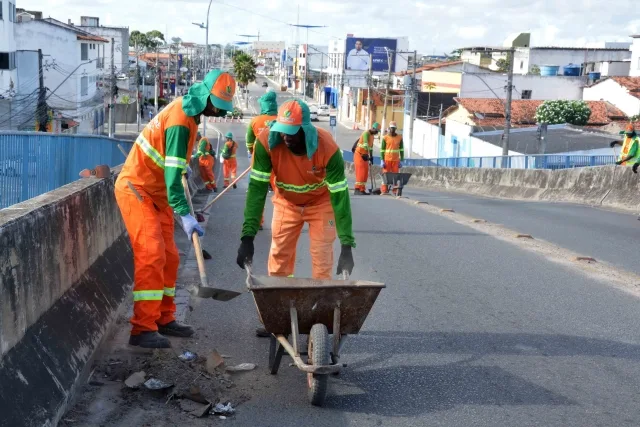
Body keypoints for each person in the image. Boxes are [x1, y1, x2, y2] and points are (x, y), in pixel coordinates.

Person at [114, 69, 235, 348]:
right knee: (152, 254)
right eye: (217, 103)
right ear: (205, 95)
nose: (219, 110)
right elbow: (173, 177)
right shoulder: (181, 119)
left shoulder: (191, 116)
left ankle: (163, 318)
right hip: (138, 189)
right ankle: (142, 328)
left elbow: (177, 170)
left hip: (158, 195)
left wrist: (183, 211)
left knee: (171, 257)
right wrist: (185, 215)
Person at [236, 99, 355, 335]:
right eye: (282, 132)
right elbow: (257, 190)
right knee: (279, 255)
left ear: (306, 130)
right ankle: (277, 316)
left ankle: (317, 318)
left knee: (322, 257)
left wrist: (347, 244)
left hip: (320, 203)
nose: (286, 138)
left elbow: (340, 198)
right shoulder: (266, 143)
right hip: (286, 202)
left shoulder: (327, 148)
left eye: (292, 132)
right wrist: (247, 236)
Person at [352, 122, 379, 195]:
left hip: (365, 155)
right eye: (376, 131)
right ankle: (357, 189)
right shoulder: (366, 133)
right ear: (373, 128)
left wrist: (371, 156)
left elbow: (371, 148)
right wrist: (368, 156)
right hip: (359, 155)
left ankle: (362, 189)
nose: (376, 133)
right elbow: (366, 145)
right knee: (360, 172)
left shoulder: (372, 136)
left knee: (365, 173)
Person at [380, 121, 404, 194]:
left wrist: (402, 160)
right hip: (387, 160)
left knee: (395, 176)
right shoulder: (385, 138)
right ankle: (384, 190)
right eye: (391, 128)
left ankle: (395, 190)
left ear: (396, 128)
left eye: (394, 128)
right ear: (389, 128)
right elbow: (382, 150)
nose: (392, 130)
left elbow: (401, 149)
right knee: (385, 176)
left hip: (395, 160)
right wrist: (382, 160)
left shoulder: (399, 137)